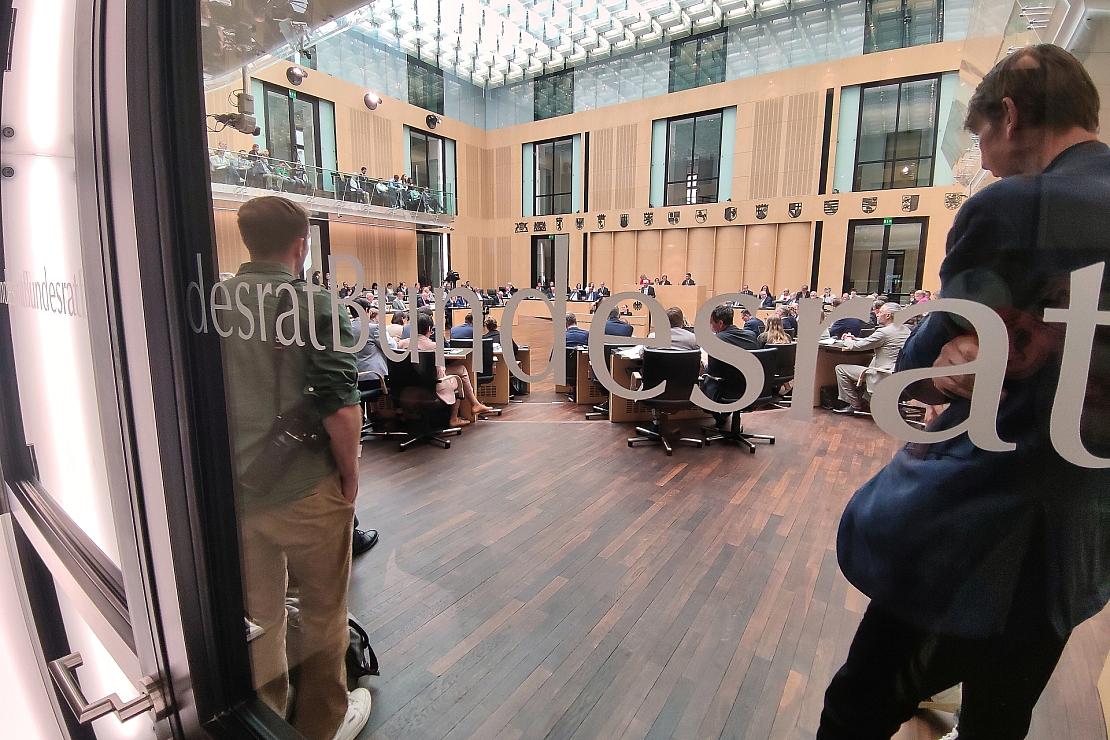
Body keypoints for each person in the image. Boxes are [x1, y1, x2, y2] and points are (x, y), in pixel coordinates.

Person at [821, 44, 1110, 740]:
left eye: (982, 138)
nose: (988, 162)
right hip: (1080, 540)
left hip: (978, 528)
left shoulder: (1014, 208)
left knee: (858, 708)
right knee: (999, 719)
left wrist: (940, 353)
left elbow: (930, 362)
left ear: (1009, 115)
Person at [221, 197, 370, 739]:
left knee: (259, 618)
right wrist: (349, 476)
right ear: (301, 245)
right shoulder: (313, 303)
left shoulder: (213, 301)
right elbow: (340, 405)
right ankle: (323, 722)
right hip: (304, 486)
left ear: (246, 240)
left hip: (233, 489)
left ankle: (265, 720)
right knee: (324, 610)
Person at [398, 314, 494, 427]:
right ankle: (454, 418)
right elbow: (439, 373)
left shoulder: (402, 344)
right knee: (459, 378)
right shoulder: (434, 346)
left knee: (460, 369)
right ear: (429, 329)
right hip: (432, 385)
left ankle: (475, 404)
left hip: (408, 387)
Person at [831, 302, 908, 414]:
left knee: (840, 369)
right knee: (868, 361)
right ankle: (866, 399)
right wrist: (856, 339)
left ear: (888, 316)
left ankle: (855, 404)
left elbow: (856, 347)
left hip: (882, 374)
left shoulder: (883, 332)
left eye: (880, 312)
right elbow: (871, 341)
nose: (877, 314)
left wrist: (847, 339)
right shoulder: (906, 330)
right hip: (899, 374)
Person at [700, 304, 761, 428]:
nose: (710, 326)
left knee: (705, 380)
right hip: (752, 388)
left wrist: (704, 364)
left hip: (727, 388)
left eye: (712, 323)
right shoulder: (751, 335)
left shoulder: (717, 340)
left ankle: (721, 418)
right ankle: (725, 417)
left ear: (720, 323)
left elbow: (712, 371)